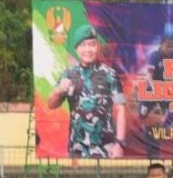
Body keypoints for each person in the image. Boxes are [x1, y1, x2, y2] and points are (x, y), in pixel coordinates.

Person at [47, 24, 126, 158]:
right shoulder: (68, 74)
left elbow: (121, 110)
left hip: (105, 149)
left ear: (98, 47)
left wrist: (119, 144)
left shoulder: (110, 74)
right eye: (83, 45)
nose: (88, 49)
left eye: (92, 44)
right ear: (76, 49)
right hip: (76, 148)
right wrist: (59, 90)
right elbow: (51, 104)